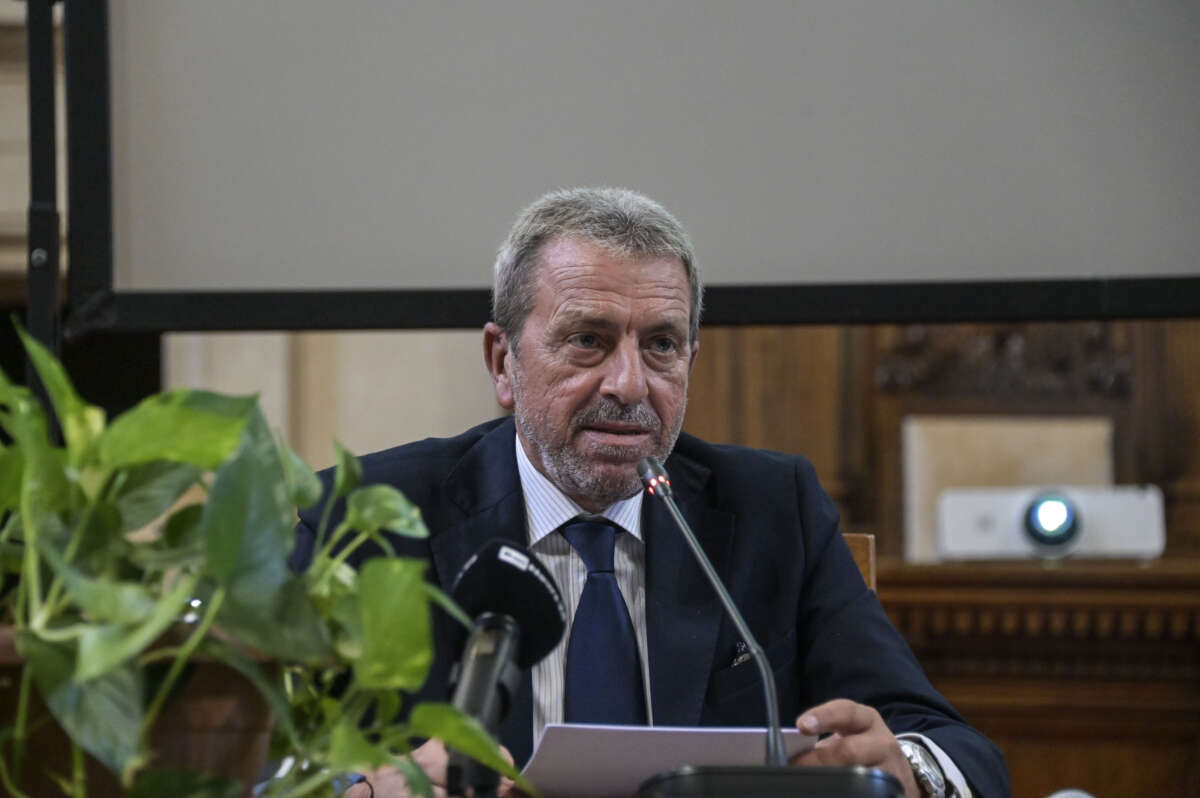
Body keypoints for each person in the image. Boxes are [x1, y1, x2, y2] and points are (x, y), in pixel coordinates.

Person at [296, 188, 1009, 797]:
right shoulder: (363, 520)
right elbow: (267, 763)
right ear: (502, 361)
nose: (630, 384)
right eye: (588, 340)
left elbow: (953, 747)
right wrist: (360, 789)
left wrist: (908, 768)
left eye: (662, 345)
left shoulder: (772, 510)